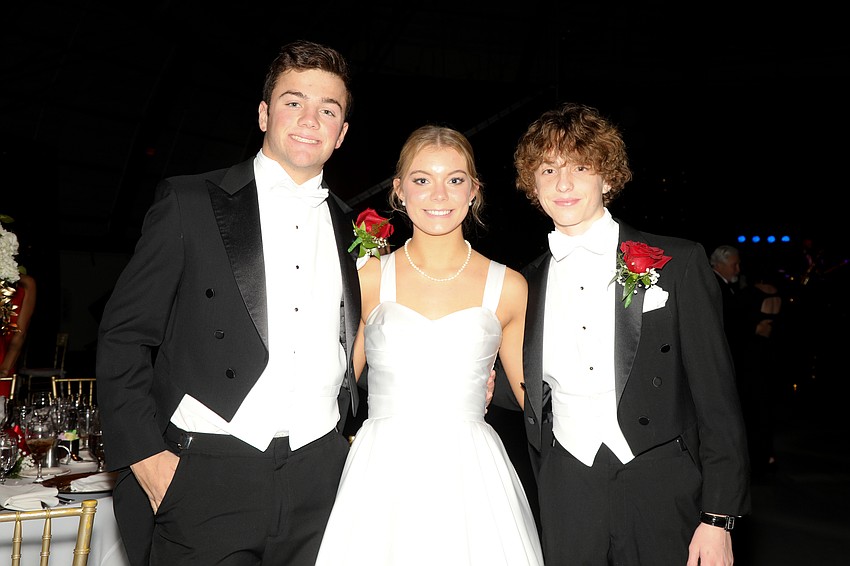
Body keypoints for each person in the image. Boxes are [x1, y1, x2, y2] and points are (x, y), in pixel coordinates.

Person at [96, 40, 362, 566]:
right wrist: (148, 461)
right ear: (264, 114)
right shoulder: (189, 201)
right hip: (207, 474)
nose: (310, 119)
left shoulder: (351, 225)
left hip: (321, 476)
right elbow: (123, 336)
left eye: (328, 110)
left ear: (342, 133)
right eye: (293, 102)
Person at [499, 102, 750, 565]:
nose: (564, 183)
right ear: (533, 187)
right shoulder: (520, 284)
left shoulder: (679, 263)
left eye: (580, 166)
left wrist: (719, 518)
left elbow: (717, 399)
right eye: (549, 169)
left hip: (661, 481)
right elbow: (512, 387)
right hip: (567, 482)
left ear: (608, 178)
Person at [314, 125, 543, 565]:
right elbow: (336, 389)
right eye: (422, 179)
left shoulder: (509, 286)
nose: (439, 194)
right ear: (399, 191)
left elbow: (532, 400)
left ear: (474, 191)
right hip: (381, 474)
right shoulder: (369, 279)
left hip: (472, 476)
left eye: (455, 180)